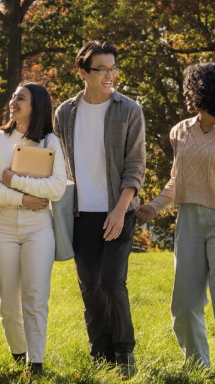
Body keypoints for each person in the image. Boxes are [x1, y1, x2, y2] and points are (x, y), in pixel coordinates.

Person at [135, 63, 215, 384]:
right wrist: (154, 206)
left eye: (194, 88)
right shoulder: (181, 131)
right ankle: (199, 368)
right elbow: (178, 180)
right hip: (188, 221)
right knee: (185, 306)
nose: (190, 94)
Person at [53, 40, 146, 377]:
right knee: (89, 287)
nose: (110, 74)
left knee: (111, 281)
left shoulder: (129, 110)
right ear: (83, 72)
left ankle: (125, 354)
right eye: (102, 69)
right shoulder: (65, 112)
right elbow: (59, 164)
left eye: (113, 67)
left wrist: (120, 211)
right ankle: (100, 356)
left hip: (118, 210)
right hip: (80, 215)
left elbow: (135, 165)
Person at [0, 82, 67, 375]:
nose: (13, 102)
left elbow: (56, 187)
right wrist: (23, 198)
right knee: (7, 300)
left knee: (35, 295)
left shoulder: (50, 142)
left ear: (36, 106)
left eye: (21, 98)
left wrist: (15, 181)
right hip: (2, 223)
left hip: (38, 226)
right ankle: (19, 356)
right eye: (14, 97)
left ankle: (36, 364)